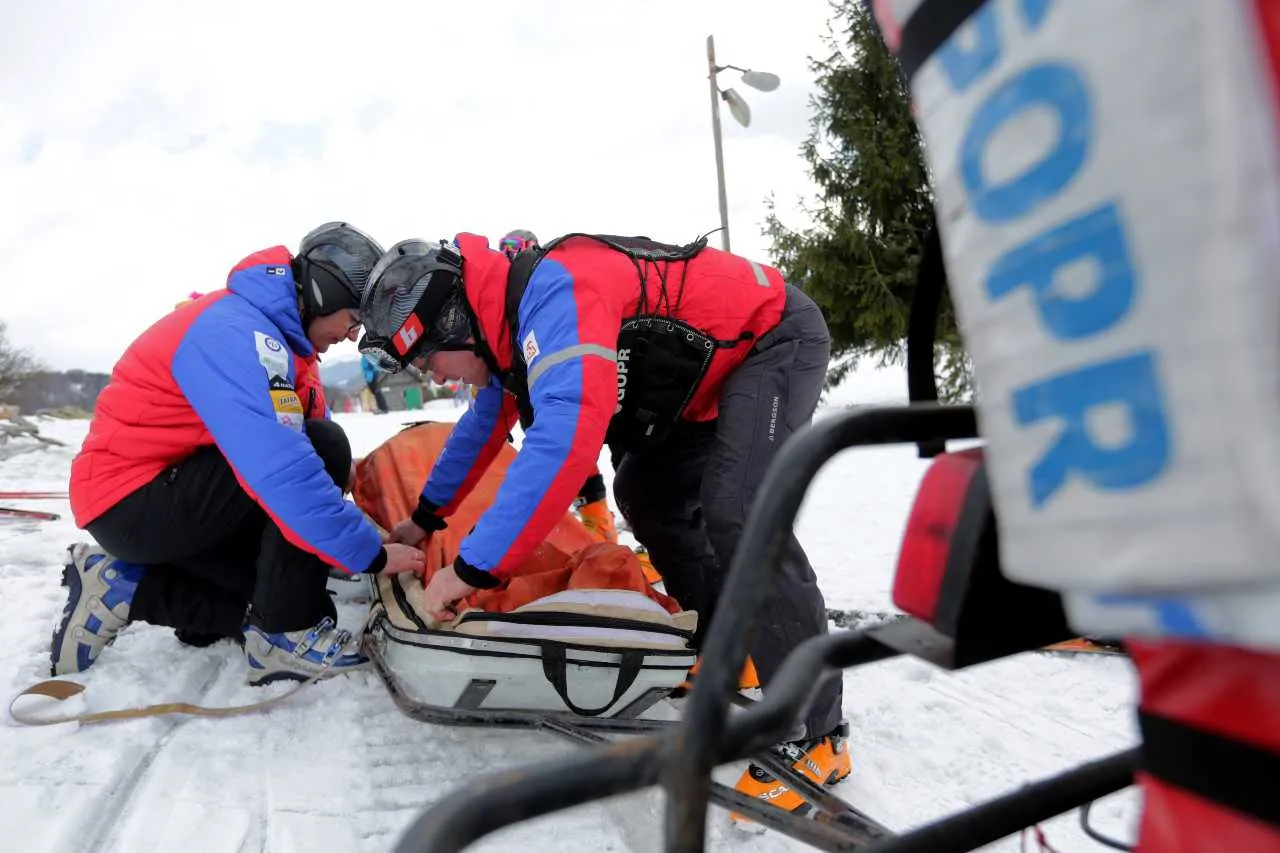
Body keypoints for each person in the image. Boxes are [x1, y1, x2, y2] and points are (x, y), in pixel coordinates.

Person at [357, 231, 848, 807]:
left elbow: (563, 446)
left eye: (429, 359)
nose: (437, 377)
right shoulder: (507, 333)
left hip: (771, 339)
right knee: (645, 491)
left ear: (455, 323)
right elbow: (480, 432)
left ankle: (816, 731)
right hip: (712, 377)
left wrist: (467, 572)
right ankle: (730, 646)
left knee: (740, 512)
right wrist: (423, 518)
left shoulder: (555, 295)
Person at [56, 222, 426, 684]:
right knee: (319, 466)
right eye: (353, 319)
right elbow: (285, 466)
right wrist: (367, 552)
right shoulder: (237, 332)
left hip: (166, 495)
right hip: (133, 502)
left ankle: (128, 589)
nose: (352, 335)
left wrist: (334, 526)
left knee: (278, 596)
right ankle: (285, 638)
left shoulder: (279, 340)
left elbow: (296, 431)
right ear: (323, 294)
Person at [497, 228, 620, 544]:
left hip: (581, 392)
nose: (510, 256)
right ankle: (594, 528)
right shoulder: (507, 300)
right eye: (505, 251)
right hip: (540, 401)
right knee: (569, 462)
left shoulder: (546, 286)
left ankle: (606, 530)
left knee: (614, 460)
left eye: (514, 249)